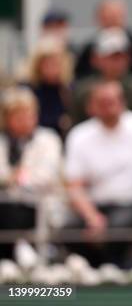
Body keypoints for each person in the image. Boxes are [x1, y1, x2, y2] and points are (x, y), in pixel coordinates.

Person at [64, 80, 132, 268]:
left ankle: (110, 267)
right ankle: (102, 268)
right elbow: (74, 186)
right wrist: (92, 217)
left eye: (112, 101)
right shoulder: (79, 135)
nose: (108, 107)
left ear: (122, 101)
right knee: (67, 231)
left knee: (117, 228)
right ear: (90, 106)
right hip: (96, 207)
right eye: (102, 102)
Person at [0, 87, 63, 259]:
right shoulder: (2, 141)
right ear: (7, 118)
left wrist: (16, 177)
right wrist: (12, 177)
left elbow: (45, 177)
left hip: (36, 205)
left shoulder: (48, 139)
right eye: (18, 116)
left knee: (11, 216)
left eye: (29, 114)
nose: (25, 120)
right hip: (5, 204)